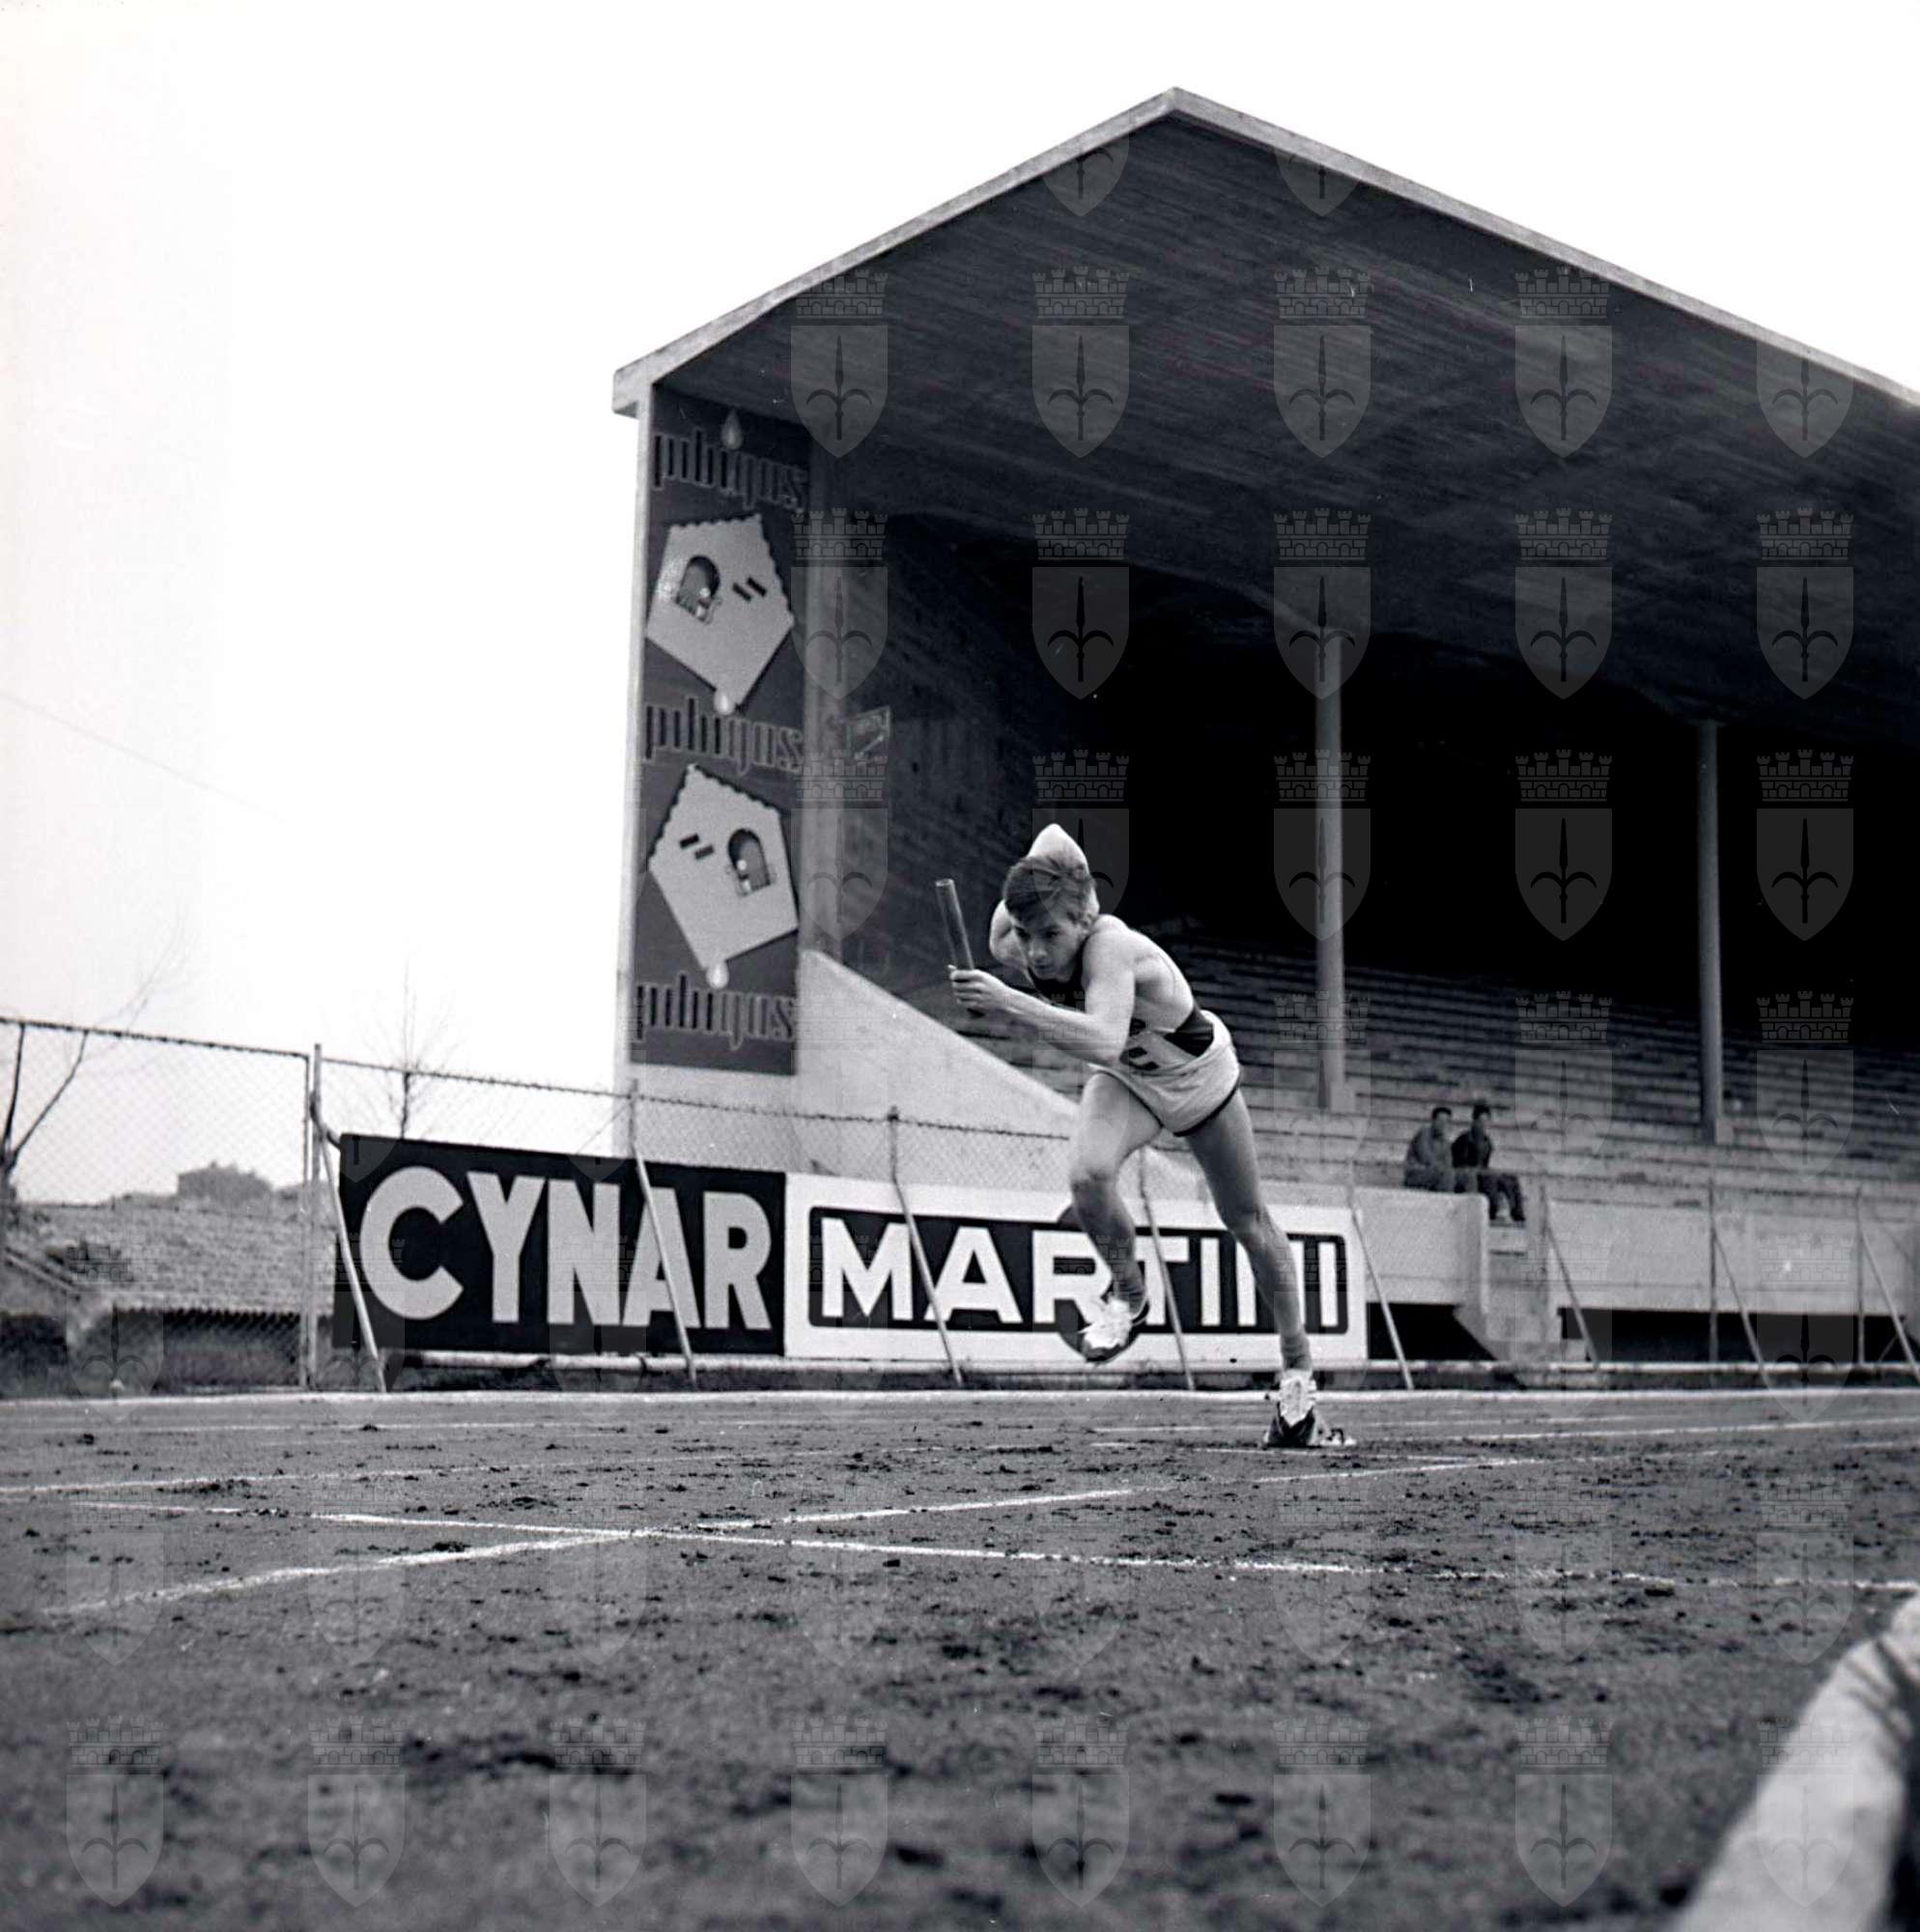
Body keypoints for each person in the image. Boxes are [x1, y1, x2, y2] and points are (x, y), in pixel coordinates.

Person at [946, 822, 1346, 1449]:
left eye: (1051, 935)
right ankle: (1129, 1297)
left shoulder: (1110, 946)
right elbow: (1047, 845)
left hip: (1196, 1078)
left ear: (1085, 918)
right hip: (1129, 1079)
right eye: (1025, 935)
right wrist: (1036, 898)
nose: (1036, 953)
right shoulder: (1012, 937)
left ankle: (1298, 1376)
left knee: (1246, 1220)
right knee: (1087, 1177)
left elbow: (1103, 1037)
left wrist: (1005, 1000)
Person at [1451, 1100, 1525, 1224]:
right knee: (1490, 1178)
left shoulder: (1487, 1142)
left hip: (1483, 1171)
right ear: (1474, 1122)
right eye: (1481, 1122)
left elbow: (1485, 1163)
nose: (1483, 1126)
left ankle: (1517, 1214)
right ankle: (1493, 1211)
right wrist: (1477, 1170)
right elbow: (1458, 1163)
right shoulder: (1464, 1139)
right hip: (1469, 1173)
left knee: (1510, 1179)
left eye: (1486, 1122)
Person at [1403, 1106, 1463, 1192]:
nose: (1443, 1124)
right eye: (1440, 1121)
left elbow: (1448, 1163)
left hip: (1436, 1175)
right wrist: (1442, 1168)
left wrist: (1447, 1170)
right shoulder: (1424, 1133)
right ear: (1433, 1121)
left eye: (1446, 1122)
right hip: (1416, 1174)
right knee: (1445, 1175)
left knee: (1460, 1176)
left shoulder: (1445, 1142)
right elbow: (1425, 1158)